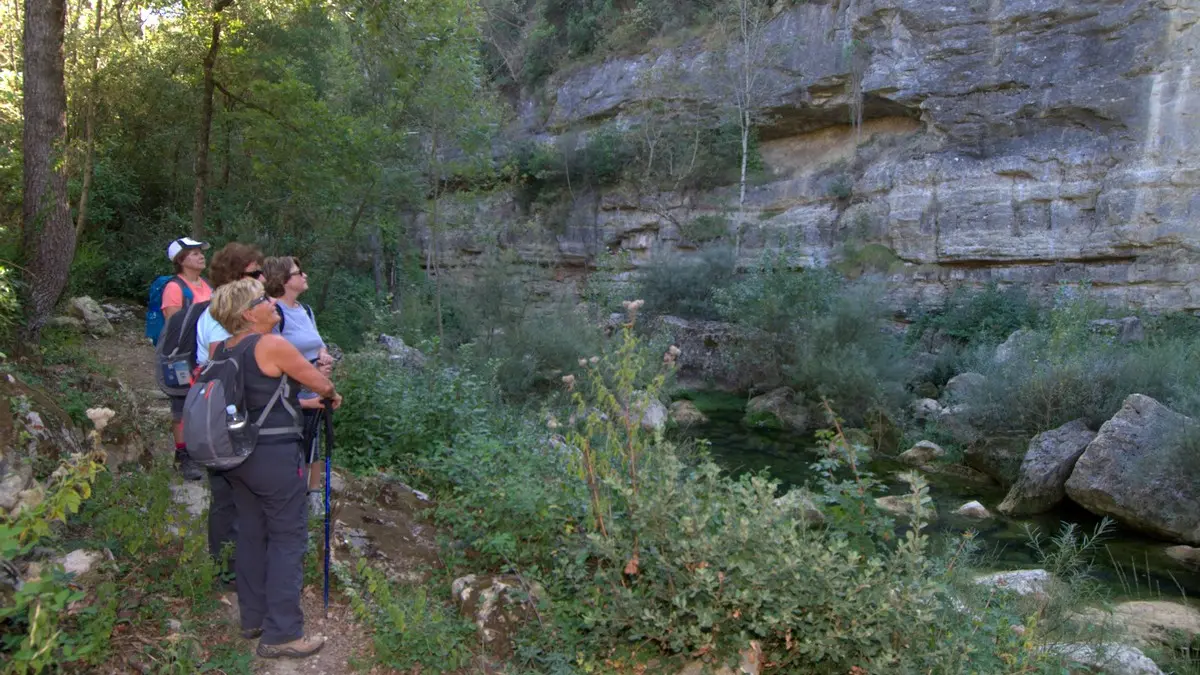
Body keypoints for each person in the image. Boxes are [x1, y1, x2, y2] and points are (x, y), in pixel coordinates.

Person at [208, 278, 341, 659]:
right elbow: (317, 380)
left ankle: (253, 618)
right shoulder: (271, 344)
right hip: (274, 457)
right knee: (287, 537)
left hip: (237, 457)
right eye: (263, 300)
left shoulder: (222, 349)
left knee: (251, 533)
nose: (272, 303)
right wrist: (330, 393)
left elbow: (250, 400)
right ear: (249, 313)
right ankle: (283, 633)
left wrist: (304, 404)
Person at [191, 243, 264, 585]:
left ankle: (233, 566)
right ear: (236, 278)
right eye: (254, 273)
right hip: (229, 414)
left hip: (228, 411)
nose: (262, 278)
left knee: (231, 494)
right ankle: (227, 569)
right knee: (228, 494)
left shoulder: (222, 314)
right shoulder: (223, 318)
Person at [262, 256, 333, 515]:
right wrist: (312, 371)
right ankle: (290, 496)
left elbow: (318, 342)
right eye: (298, 272)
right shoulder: (274, 313)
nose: (305, 276)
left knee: (314, 440)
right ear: (283, 281)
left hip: (313, 387)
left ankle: (312, 495)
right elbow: (278, 356)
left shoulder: (306, 310)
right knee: (292, 444)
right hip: (289, 392)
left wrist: (323, 358)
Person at [161, 237, 213, 480]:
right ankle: (183, 457)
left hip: (203, 352)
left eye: (200, 252)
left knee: (203, 401)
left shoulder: (207, 285)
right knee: (180, 404)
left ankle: (199, 451)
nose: (200, 256)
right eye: (193, 253)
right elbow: (174, 325)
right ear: (181, 260)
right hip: (181, 354)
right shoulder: (174, 288)